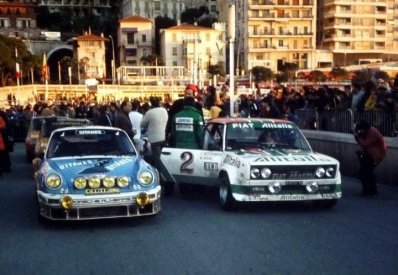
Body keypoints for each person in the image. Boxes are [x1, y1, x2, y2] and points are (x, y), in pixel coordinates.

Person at [141, 97, 175, 195]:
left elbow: (142, 124)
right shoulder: (164, 110)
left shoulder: (150, 112)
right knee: (162, 157)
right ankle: (164, 175)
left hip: (154, 139)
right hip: (164, 137)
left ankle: (160, 178)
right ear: (159, 103)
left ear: (151, 104)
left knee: (157, 160)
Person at [354, 120, 387, 196]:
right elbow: (363, 144)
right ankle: (369, 189)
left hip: (376, 155)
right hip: (370, 154)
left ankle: (370, 190)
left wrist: (358, 137)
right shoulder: (368, 131)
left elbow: (365, 144)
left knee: (366, 172)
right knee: (366, 172)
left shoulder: (372, 132)